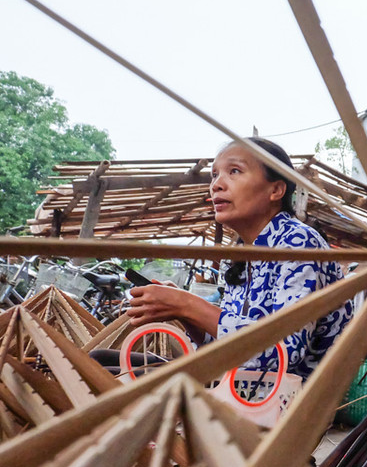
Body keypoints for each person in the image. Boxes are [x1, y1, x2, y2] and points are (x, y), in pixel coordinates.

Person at [125, 138, 353, 380]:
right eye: (214, 175)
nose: (216, 185)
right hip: (238, 388)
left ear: (275, 190)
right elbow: (225, 347)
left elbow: (283, 353)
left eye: (234, 171)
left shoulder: (298, 244)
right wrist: (184, 313)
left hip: (289, 404)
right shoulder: (240, 255)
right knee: (103, 362)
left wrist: (188, 304)